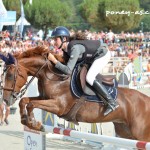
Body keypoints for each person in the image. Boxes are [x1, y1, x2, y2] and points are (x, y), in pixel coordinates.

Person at [48, 26, 119, 116]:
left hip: (102, 54)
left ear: (64, 38)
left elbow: (68, 70)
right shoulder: (65, 49)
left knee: (89, 77)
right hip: (93, 56)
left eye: (55, 39)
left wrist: (54, 61)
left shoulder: (74, 48)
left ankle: (111, 102)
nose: (53, 42)